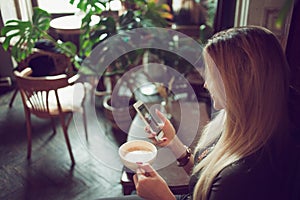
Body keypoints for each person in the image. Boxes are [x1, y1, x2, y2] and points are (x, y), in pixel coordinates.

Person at [101, 26, 297, 200]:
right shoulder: (239, 119)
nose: (205, 84)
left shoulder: (240, 178)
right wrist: (174, 144)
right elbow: (207, 178)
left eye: (211, 76)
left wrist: (162, 196)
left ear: (235, 85)